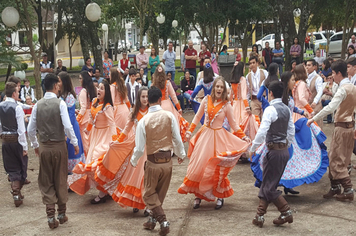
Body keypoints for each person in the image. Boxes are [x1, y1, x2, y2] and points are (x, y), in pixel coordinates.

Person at [251, 72, 328, 197]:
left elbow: (292, 109)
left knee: (286, 162)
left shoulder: (287, 97)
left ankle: (283, 187)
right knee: (278, 162)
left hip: (286, 134)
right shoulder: (280, 100)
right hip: (281, 133)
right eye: (292, 79)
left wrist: (302, 113)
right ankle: (272, 191)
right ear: (287, 82)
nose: (295, 82)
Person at [178, 77, 250, 209]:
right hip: (205, 137)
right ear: (214, 88)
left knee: (217, 167)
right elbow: (197, 117)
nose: (219, 89)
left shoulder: (227, 105)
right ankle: (198, 195)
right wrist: (189, 131)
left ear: (224, 90)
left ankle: (219, 196)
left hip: (219, 138)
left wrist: (243, 136)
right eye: (217, 86)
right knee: (200, 165)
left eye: (221, 87)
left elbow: (234, 124)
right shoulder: (206, 100)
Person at [129, 86, 185, 235]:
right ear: (160, 100)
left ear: (148, 102)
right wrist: (181, 154)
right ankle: (152, 221)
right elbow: (177, 139)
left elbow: (140, 148)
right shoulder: (169, 116)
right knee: (159, 194)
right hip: (168, 163)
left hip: (153, 163)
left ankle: (163, 221)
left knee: (148, 194)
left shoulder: (144, 121)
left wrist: (133, 161)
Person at [28, 73, 79, 229]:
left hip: (44, 147)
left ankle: (50, 216)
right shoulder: (60, 103)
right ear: (56, 85)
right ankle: (62, 214)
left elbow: (31, 129)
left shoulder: (37, 105)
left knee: (46, 179)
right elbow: (67, 126)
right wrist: (75, 143)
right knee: (60, 177)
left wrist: (36, 145)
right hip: (59, 147)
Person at [307, 60, 356, 202]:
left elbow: (330, 108)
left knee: (336, 159)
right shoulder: (352, 87)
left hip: (341, 127)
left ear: (339, 73)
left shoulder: (343, 89)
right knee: (339, 157)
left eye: (333, 74)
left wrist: (313, 118)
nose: (332, 76)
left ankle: (348, 189)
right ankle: (335, 187)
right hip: (349, 126)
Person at [250, 81, 295, 228]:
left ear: (270, 93)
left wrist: (253, 148)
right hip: (283, 151)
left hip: (274, 151)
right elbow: (291, 131)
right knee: (268, 183)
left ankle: (286, 211)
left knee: (269, 187)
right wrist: (286, 145)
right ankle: (259, 216)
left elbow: (263, 131)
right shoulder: (287, 109)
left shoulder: (270, 110)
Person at [68, 80, 116, 202]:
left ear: (107, 92)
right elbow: (91, 118)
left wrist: (113, 140)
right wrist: (87, 130)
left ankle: (103, 192)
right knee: (91, 161)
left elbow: (112, 124)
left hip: (104, 137)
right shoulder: (94, 101)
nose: (99, 90)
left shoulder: (108, 107)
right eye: (98, 88)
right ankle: (104, 190)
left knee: (98, 162)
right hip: (95, 136)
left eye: (102, 89)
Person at [0, 82, 28, 207]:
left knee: (11, 167)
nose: (18, 93)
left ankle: (16, 193)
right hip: (16, 140)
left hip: (5, 141)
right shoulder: (17, 107)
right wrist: (25, 146)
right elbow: (21, 130)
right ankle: (17, 191)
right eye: (17, 91)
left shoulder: (0, 106)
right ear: (14, 93)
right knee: (21, 165)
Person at [152, 65, 189, 141]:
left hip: (157, 106)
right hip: (168, 106)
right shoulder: (167, 83)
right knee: (172, 125)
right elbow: (174, 96)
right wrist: (179, 108)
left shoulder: (153, 85)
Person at [58, 72, 85, 174]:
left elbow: (69, 117)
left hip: (71, 126)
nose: (57, 83)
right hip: (65, 126)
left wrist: (66, 133)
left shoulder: (69, 96)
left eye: (59, 80)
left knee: (71, 151)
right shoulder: (60, 96)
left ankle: (73, 179)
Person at [230, 61, 259, 141]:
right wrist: (247, 108)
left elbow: (231, 95)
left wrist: (230, 105)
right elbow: (243, 96)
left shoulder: (232, 80)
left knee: (235, 125)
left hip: (234, 105)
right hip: (242, 105)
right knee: (244, 125)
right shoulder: (242, 79)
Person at [76, 71, 96, 154]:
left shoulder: (84, 91)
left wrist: (77, 119)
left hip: (85, 118)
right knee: (92, 140)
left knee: (85, 142)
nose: (79, 80)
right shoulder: (94, 89)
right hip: (93, 114)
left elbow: (83, 108)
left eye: (80, 78)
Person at [246, 55, 268, 120]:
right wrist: (247, 103)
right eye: (250, 63)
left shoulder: (264, 72)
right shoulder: (248, 76)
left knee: (265, 119)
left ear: (257, 63)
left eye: (253, 63)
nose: (252, 65)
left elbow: (268, 86)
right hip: (254, 100)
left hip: (263, 99)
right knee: (255, 120)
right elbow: (248, 91)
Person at [306, 59, 323, 127]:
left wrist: (315, 101)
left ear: (314, 67)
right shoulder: (305, 77)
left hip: (315, 106)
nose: (307, 67)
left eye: (309, 65)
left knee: (317, 126)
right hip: (307, 105)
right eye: (306, 65)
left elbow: (320, 91)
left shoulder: (318, 78)